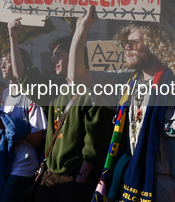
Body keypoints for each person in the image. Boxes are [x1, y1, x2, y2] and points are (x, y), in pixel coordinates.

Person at [68, 6, 175, 202]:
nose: (126, 48)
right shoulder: (127, 82)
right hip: (131, 188)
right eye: (125, 43)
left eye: (133, 43)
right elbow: (76, 77)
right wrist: (82, 28)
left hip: (167, 194)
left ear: (156, 44)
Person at [10, 18, 113, 202]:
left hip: (74, 179)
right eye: (52, 55)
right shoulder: (54, 88)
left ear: (75, 56)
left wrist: (80, 177)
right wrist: (13, 36)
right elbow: (21, 75)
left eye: (59, 54)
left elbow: (95, 140)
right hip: (49, 177)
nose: (53, 59)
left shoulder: (91, 93)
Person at [0, 46, 46, 202]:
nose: (2, 65)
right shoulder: (6, 93)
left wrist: (4, 125)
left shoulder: (31, 96)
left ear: (21, 65)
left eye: (7, 61)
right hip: (8, 160)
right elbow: (3, 126)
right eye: (2, 62)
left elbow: (37, 139)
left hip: (23, 165)